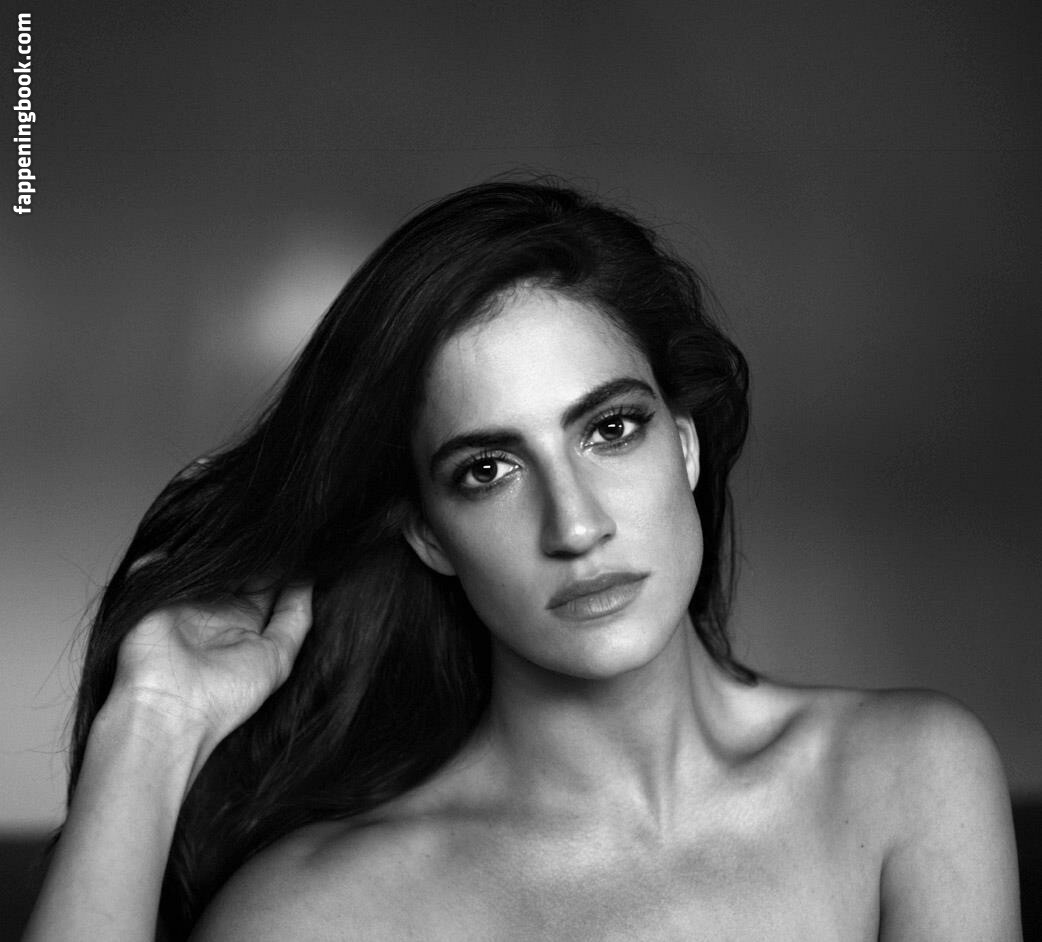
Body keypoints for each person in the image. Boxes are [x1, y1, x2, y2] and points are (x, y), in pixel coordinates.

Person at [24, 179, 1022, 941]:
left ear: (683, 446)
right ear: (427, 532)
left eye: (610, 429)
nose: (575, 525)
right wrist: (152, 725)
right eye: (488, 470)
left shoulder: (904, 778)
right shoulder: (329, 908)